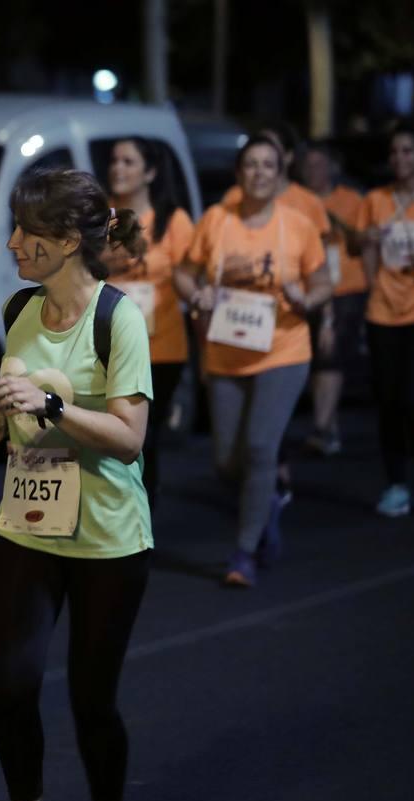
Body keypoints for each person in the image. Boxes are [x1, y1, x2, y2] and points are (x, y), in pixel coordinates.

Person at [0, 168, 151, 801]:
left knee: (90, 699)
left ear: (69, 240)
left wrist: (48, 403)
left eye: (28, 234)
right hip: (26, 526)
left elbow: (131, 438)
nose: (13, 244)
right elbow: (18, 425)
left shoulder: (119, 318)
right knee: (11, 686)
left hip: (107, 537)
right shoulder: (19, 308)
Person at [175, 136, 331, 586]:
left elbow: (322, 282)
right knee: (226, 462)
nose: (260, 172)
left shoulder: (297, 224)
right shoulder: (217, 221)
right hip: (226, 351)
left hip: (283, 349)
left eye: (268, 165)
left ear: (280, 172)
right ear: (239, 173)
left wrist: (307, 298)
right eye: (251, 165)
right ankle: (268, 505)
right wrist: (197, 293)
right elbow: (184, 275)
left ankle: (243, 553)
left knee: (262, 447)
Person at [104, 137, 196, 511]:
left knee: (142, 435)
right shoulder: (102, 217)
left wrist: (203, 296)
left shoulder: (173, 221)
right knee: (107, 434)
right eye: (114, 160)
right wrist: (112, 263)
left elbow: (188, 277)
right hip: (106, 344)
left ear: (150, 172)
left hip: (160, 348)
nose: (118, 168)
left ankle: (139, 515)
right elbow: (79, 270)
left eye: (129, 161)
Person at [357, 120, 414, 516]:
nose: (400, 158)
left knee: (413, 399)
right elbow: (365, 258)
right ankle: (396, 481)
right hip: (382, 312)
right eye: (394, 152)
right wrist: (373, 250)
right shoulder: (376, 200)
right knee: (390, 401)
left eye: (408, 151)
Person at [300, 142, 368, 456]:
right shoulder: (297, 202)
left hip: (346, 287)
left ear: (332, 168)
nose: (314, 170)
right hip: (310, 287)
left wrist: (331, 221)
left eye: (319, 164)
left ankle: (322, 426)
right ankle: (328, 423)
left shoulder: (352, 200)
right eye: (308, 165)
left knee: (332, 353)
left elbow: (362, 241)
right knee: (316, 357)